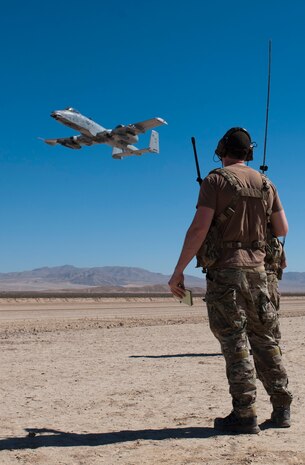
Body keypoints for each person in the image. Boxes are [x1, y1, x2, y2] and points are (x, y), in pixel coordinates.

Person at [168, 128, 293, 434]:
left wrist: (178, 271)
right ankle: (281, 408)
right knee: (265, 340)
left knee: (235, 342)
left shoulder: (216, 180)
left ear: (222, 150)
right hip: (261, 274)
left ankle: (245, 414)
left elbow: (198, 230)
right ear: (249, 153)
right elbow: (282, 228)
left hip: (227, 273)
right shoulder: (267, 183)